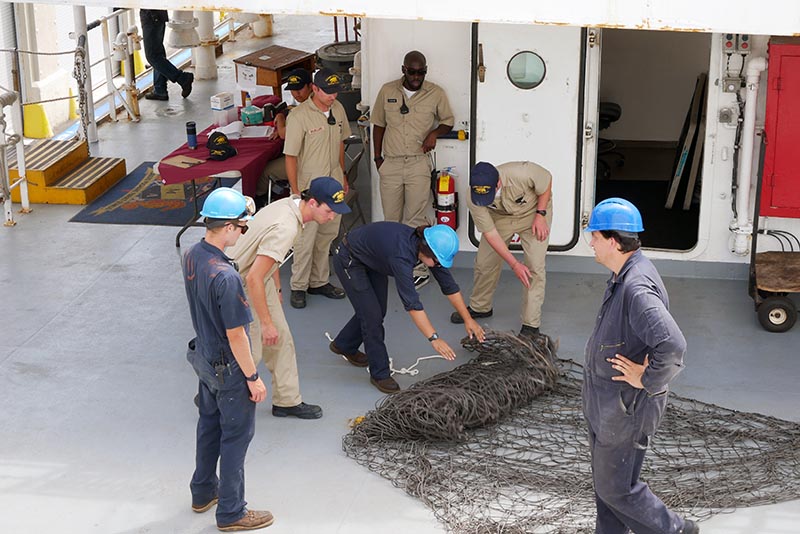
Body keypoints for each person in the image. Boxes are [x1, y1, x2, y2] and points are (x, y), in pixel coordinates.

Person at [583, 197, 699, 534]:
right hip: (606, 404)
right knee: (606, 487)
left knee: (617, 488)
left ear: (614, 242)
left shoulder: (636, 288)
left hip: (625, 409)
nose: (590, 242)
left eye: (595, 236)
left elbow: (673, 345)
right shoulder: (625, 273)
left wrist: (647, 378)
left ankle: (676, 530)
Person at [181, 187, 273, 531]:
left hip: (203, 358)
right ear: (230, 227)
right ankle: (232, 512)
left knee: (208, 425)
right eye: (242, 227)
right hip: (228, 368)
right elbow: (237, 335)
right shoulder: (227, 277)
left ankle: (202, 491)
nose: (242, 233)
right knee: (235, 437)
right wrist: (252, 378)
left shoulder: (192, 254)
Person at [226, 177, 351, 419]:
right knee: (251, 348)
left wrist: (277, 289)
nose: (332, 217)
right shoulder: (287, 227)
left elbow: (265, 255)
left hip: (258, 278)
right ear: (312, 203)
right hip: (241, 285)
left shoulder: (288, 204)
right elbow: (253, 278)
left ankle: (286, 400)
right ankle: (216, 395)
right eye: (328, 211)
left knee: (281, 339)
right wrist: (265, 322)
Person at [330, 222, 485, 394]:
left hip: (373, 258)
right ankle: (380, 374)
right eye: (437, 261)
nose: (437, 265)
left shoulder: (427, 247)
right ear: (426, 252)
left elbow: (449, 286)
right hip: (350, 259)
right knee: (372, 317)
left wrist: (468, 319)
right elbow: (412, 304)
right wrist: (434, 338)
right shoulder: (402, 258)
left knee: (377, 311)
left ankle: (344, 344)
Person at [371, 50, 455, 289]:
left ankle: (417, 269)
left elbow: (448, 119)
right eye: (412, 71)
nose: (416, 76)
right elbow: (378, 125)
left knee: (416, 219)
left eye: (421, 72)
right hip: (392, 162)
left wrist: (434, 133)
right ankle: (394, 264)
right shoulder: (388, 91)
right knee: (391, 220)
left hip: (419, 163)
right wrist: (378, 159)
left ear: (425, 71)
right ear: (403, 70)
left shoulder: (436, 93)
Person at [452, 161, 553, 339]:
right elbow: (490, 233)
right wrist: (514, 264)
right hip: (500, 218)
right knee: (484, 263)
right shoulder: (473, 197)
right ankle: (480, 307)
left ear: (498, 183)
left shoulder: (522, 172)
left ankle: (531, 324)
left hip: (532, 213)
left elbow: (546, 182)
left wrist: (541, 214)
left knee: (535, 268)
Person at [284, 68, 352, 309]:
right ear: (314, 89)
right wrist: (295, 192)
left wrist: (343, 175)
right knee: (304, 240)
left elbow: (341, 143)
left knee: (327, 236)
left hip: (333, 185)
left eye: (335, 92)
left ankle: (318, 281)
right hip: (309, 190)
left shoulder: (339, 109)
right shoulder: (299, 117)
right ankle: (298, 286)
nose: (332, 96)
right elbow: (290, 157)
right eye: (327, 92)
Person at [254, 68, 313, 208]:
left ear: (311, 86)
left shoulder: (300, 112)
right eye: (293, 90)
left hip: (305, 164)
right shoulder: (316, 103)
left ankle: (261, 202)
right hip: (314, 159)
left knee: (263, 171)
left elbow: (283, 134)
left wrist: (280, 118)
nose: (296, 94)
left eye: (300, 89)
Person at [139, 9, 194, 101]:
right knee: (157, 53)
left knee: (152, 56)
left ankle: (182, 78)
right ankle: (160, 89)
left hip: (151, 15)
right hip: (158, 14)